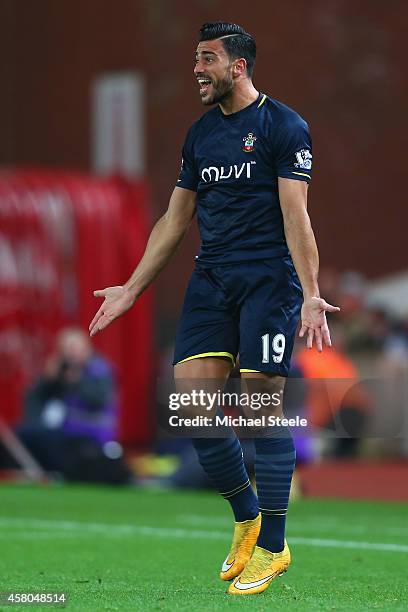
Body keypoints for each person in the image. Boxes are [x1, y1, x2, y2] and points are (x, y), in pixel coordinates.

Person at [89, 22, 339, 596]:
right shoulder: (200, 135)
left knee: (258, 415)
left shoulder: (283, 126)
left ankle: (273, 548)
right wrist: (131, 288)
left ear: (240, 67)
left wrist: (310, 292)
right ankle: (247, 516)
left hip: (268, 283)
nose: (197, 70)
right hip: (211, 280)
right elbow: (175, 220)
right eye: (196, 59)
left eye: (208, 59)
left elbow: (297, 217)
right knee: (194, 410)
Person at [19, 327, 124, 481]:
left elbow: (97, 399)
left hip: (92, 435)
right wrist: (47, 379)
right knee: (26, 433)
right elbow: (33, 398)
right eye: (66, 349)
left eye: (74, 348)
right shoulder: (62, 372)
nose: (70, 354)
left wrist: (77, 380)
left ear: (86, 348)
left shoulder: (99, 370)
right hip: (64, 432)